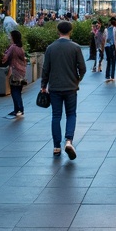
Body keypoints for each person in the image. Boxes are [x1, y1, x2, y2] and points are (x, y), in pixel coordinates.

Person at [41, 18, 86, 159]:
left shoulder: (50, 48)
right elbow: (82, 68)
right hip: (71, 87)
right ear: (70, 31)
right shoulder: (75, 47)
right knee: (71, 114)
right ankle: (68, 141)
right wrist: (77, 79)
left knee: (56, 116)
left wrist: (43, 85)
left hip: (54, 87)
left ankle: (56, 146)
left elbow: (45, 69)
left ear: (58, 31)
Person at [3, 28, 28, 118]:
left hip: (14, 72)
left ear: (13, 37)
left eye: (10, 36)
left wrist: (4, 53)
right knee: (18, 91)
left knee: (14, 91)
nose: (9, 38)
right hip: (22, 72)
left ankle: (18, 109)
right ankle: (18, 109)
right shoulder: (20, 48)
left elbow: (5, 58)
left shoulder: (13, 47)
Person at [104, 16, 116, 82]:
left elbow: (104, 39)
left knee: (109, 61)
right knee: (113, 61)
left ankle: (107, 75)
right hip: (113, 47)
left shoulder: (106, 29)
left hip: (107, 47)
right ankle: (112, 75)